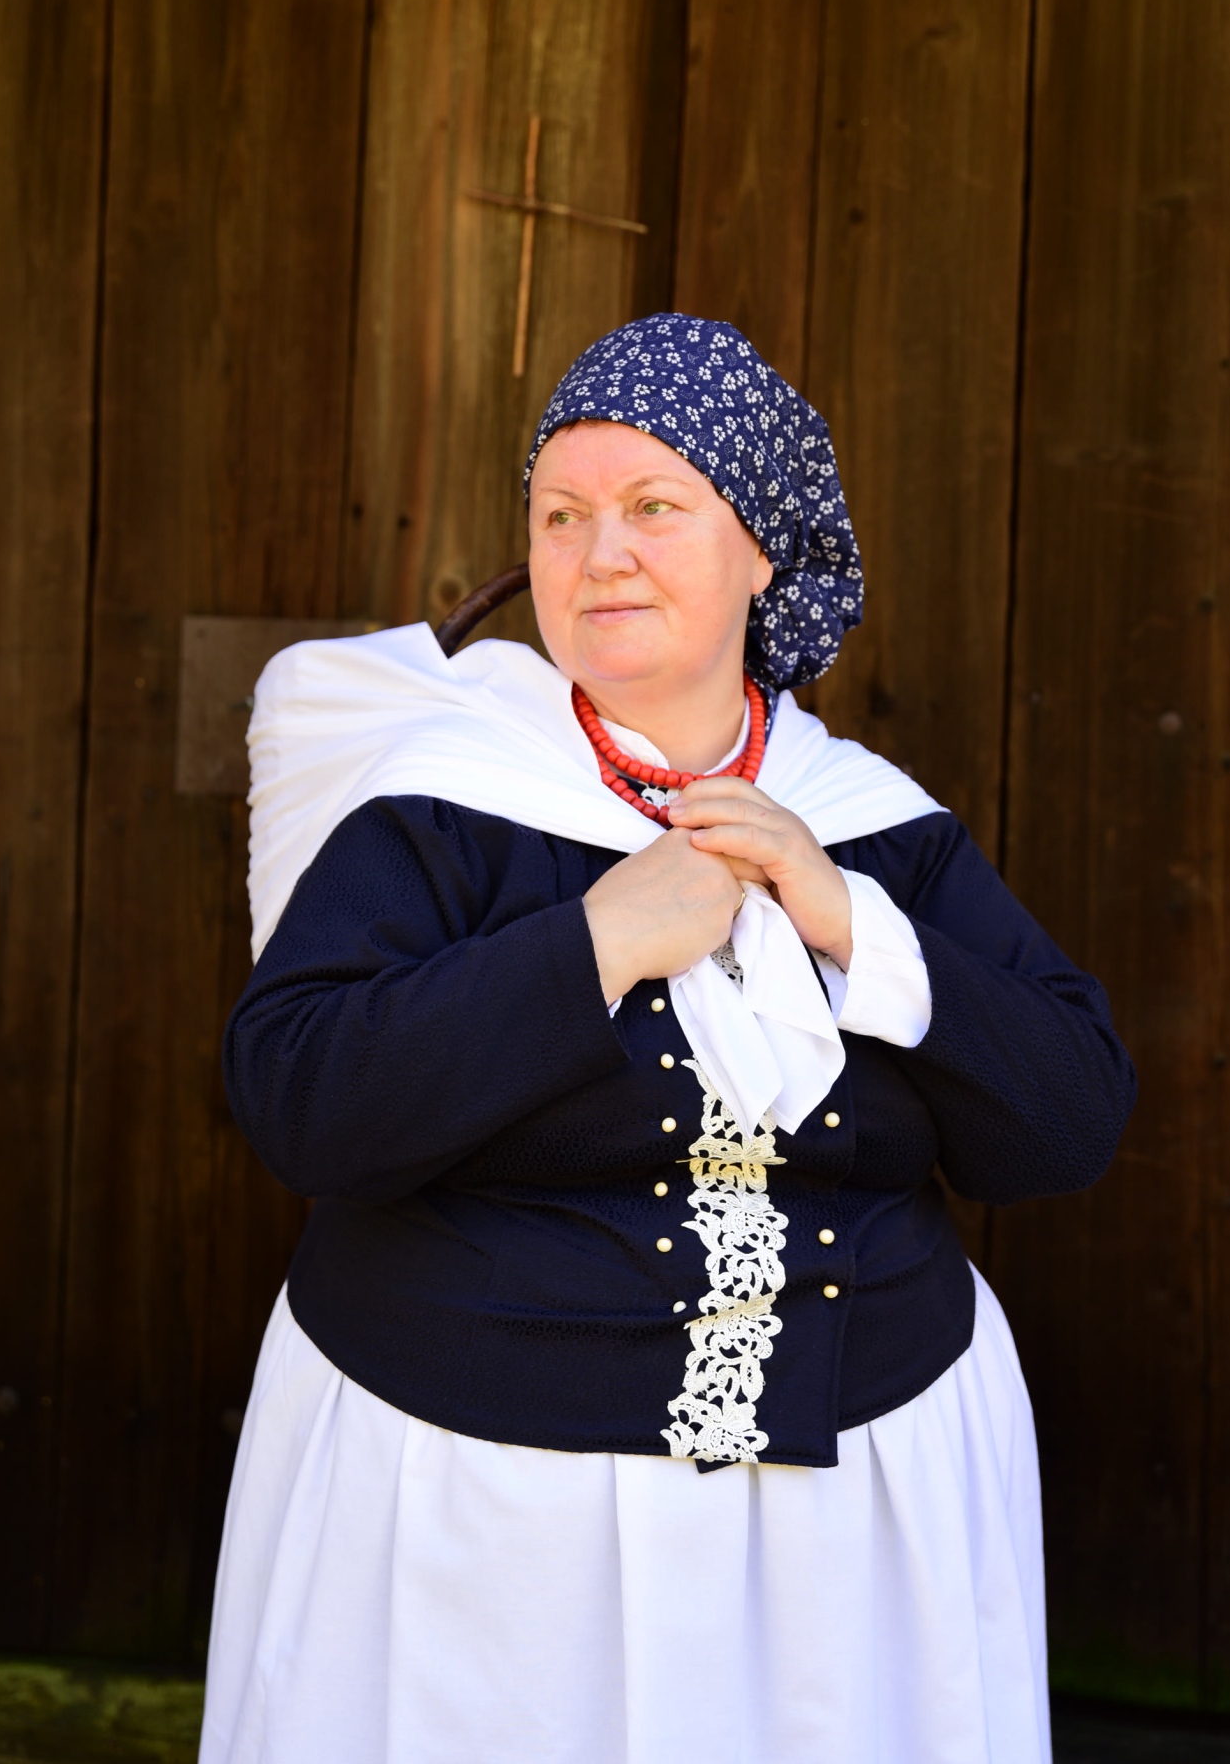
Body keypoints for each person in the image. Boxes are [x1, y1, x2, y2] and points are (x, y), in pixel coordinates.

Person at [198, 314, 1134, 1764]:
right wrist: (599, 942)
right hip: (477, 1526)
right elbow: (302, 1099)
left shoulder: (873, 825)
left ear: (761, 549)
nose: (600, 556)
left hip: (854, 1530)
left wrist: (847, 922)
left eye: (653, 507)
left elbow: (1067, 1123)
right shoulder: (439, 805)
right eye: (560, 517)